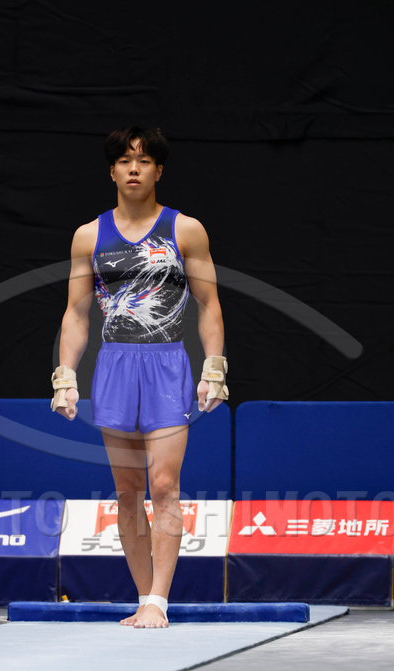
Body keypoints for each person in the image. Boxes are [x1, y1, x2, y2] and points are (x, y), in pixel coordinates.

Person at [51, 126, 228, 628]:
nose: (134, 168)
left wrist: (214, 367)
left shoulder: (184, 230)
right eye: (125, 161)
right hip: (114, 367)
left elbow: (210, 305)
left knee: (164, 484)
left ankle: (159, 600)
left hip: (168, 365)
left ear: (158, 171)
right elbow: (76, 312)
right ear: (112, 171)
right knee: (127, 490)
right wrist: (65, 375)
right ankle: (143, 597)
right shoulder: (89, 236)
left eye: (144, 160)